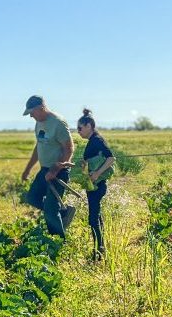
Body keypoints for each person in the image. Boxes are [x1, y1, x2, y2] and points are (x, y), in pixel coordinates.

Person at [20, 95, 76, 236]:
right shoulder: (39, 123)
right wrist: (27, 169)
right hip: (45, 170)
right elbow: (38, 147)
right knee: (32, 197)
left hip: (59, 171)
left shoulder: (58, 123)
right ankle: (63, 212)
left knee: (50, 211)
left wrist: (56, 168)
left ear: (41, 108)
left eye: (32, 112)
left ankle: (58, 242)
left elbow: (69, 149)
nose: (31, 116)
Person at [76, 108, 114, 259]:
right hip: (94, 185)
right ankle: (100, 247)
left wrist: (97, 173)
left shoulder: (97, 140)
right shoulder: (93, 140)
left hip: (97, 185)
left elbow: (111, 158)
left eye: (80, 128)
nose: (78, 131)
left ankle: (99, 252)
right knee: (96, 217)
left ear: (89, 126)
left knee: (93, 219)